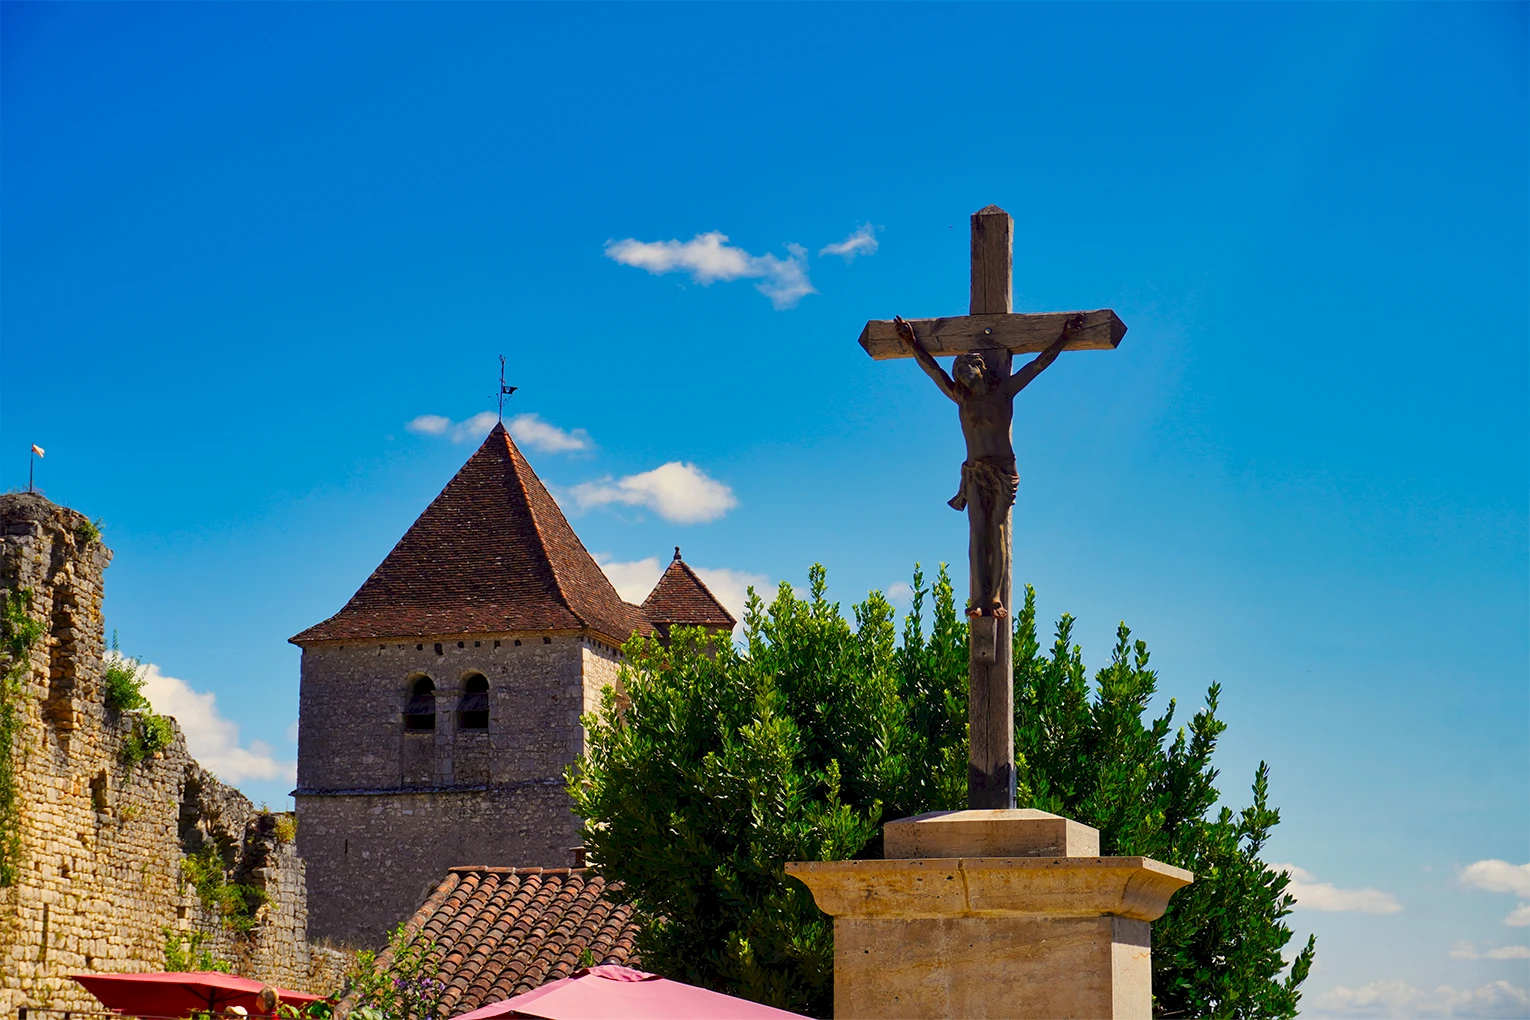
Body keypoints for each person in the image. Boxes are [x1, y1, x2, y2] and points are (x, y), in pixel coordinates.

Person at [894, 315, 1079, 617]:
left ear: (980, 368)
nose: (959, 373)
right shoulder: (961, 398)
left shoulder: (1003, 391)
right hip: (974, 471)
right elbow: (933, 370)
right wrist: (911, 342)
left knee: (997, 528)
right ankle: (977, 599)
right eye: (958, 370)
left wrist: (1064, 338)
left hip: (1003, 471)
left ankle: (994, 597)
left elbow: (1038, 365)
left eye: (964, 367)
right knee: (977, 532)